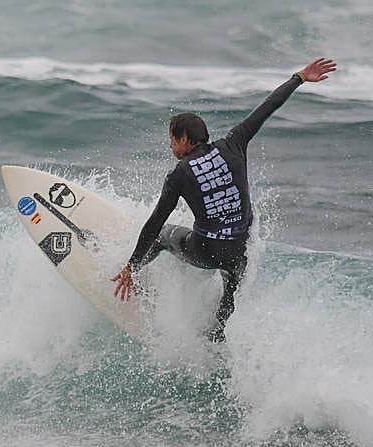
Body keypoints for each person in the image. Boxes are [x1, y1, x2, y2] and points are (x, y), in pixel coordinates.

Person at [111, 58, 337, 343]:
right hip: (239, 252)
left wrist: (131, 263)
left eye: (172, 140)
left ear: (184, 139)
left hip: (204, 251)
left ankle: (133, 279)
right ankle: (216, 337)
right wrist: (299, 78)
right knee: (231, 283)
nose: (170, 146)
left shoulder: (179, 174)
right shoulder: (235, 143)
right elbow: (267, 107)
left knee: (164, 234)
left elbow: (155, 222)